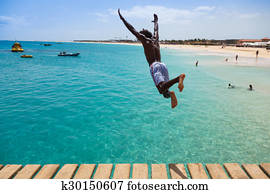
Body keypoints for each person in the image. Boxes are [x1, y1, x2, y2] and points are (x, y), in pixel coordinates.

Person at [118, 9, 185, 108]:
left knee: (161, 89)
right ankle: (170, 94)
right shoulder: (156, 40)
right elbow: (156, 30)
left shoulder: (145, 40)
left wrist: (122, 19)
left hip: (155, 66)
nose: (142, 29)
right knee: (164, 92)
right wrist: (156, 21)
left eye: (142, 31)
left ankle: (178, 78)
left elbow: (132, 29)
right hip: (163, 65)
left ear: (143, 35)